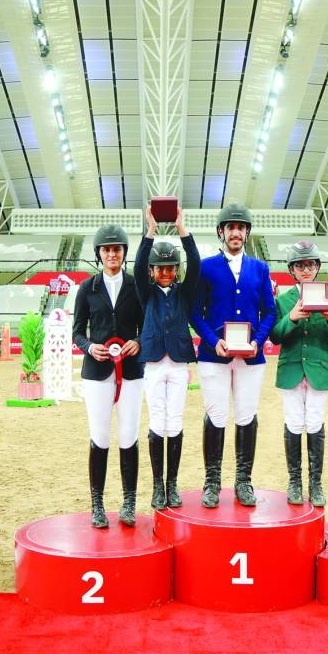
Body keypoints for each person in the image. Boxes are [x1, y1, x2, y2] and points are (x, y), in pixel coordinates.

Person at [190, 203, 277, 508]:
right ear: (222, 232)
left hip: (250, 357)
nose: (236, 232)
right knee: (216, 415)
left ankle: (243, 481)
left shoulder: (260, 268)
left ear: (246, 233)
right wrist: (213, 341)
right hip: (215, 356)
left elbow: (270, 310)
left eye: (241, 228)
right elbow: (195, 312)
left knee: (246, 415)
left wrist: (258, 340)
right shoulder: (206, 266)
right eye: (231, 227)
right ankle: (212, 482)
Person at [270, 240, 328, 506]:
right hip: (291, 368)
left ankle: (315, 483)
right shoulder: (283, 301)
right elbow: (274, 336)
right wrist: (292, 317)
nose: (306, 269)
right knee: (294, 423)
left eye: (310, 264)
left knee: (316, 423)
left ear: (317, 267)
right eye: (300, 265)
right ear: (292, 270)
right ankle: (295, 481)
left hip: (318, 370)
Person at [73, 225, 143, 528]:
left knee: (129, 435)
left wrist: (139, 342)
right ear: (99, 254)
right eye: (107, 249)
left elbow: (148, 327)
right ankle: (97, 504)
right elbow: (77, 331)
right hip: (97, 372)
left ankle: (129, 502)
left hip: (131, 371)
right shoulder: (86, 289)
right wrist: (90, 347)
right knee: (100, 436)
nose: (112, 254)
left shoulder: (137, 286)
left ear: (124, 253)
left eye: (117, 249)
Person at [133, 208, 200, 511]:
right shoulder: (145, 293)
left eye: (170, 268)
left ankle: (172, 484)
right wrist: (151, 230)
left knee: (175, 420)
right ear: (152, 271)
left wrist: (181, 230)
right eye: (159, 268)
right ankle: (157, 485)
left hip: (179, 362)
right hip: (153, 363)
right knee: (157, 420)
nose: (165, 272)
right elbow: (136, 267)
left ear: (176, 270)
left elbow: (196, 265)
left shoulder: (184, 293)